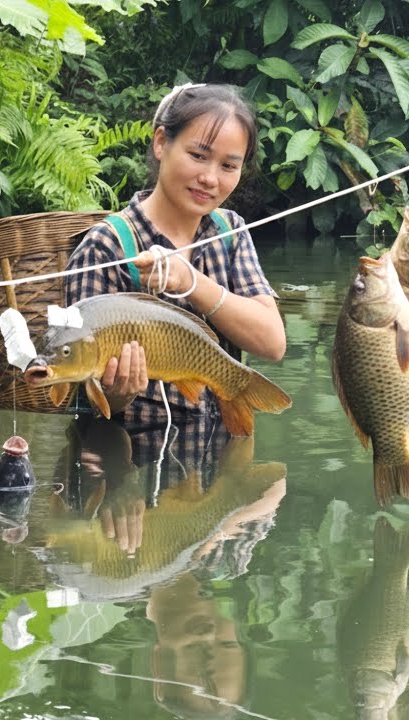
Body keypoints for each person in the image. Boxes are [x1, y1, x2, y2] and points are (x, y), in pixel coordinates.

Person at [65, 82, 286, 459]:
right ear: (161, 142)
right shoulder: (107, 246)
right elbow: (82, 397)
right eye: (198, 155)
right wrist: (118, 393)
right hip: (133, 468)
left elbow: (273, 343)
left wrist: (191, 283)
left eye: (229, 166)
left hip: (221, 458)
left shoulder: (230, 231)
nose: (211, 178)